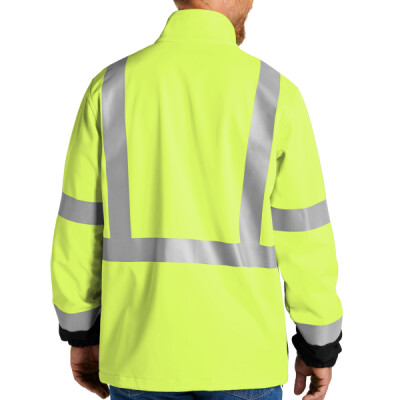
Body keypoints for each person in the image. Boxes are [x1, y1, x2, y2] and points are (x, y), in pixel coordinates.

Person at [50, 1, 343, 399]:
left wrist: (81, 332)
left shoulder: (110, 89)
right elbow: (305, 238)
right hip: (245, 362)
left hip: (139, 358)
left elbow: (79, 228)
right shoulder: (276, 96)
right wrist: (318, 344)